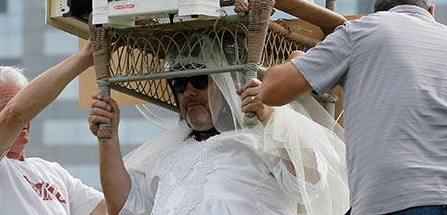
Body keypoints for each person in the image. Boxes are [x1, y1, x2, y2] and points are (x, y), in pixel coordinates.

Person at [260, 0, 447, 215]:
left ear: (377, 13)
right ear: (430, 12)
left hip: (393, 201)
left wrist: (295, 61)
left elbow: (271, 91)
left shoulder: (360, 31)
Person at [89, 33, 349, 215]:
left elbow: (311, 182)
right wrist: (108, 139)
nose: (189, 91)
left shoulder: (263, 137)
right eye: (179, 83)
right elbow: (124, 207)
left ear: (226, 84)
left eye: (199, 79)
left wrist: (271, 116)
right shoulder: (166, 153)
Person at [0, 39, 106, 215]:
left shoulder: (51, 171)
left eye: (29, 107)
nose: (26, 117)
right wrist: (83, 59)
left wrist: (107, 137)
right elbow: (16, 113)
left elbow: (109, 210)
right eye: (4, 108)